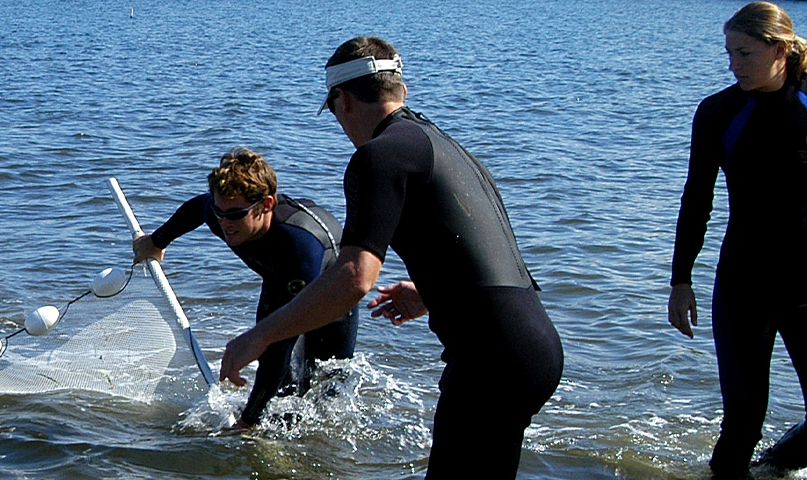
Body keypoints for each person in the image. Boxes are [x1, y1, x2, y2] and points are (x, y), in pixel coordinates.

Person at [217, 36, 563, 478]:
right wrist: (430, 292)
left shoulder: (378, 157)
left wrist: (258, 336)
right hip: (533, 342)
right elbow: (491, 253)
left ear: (342, 100)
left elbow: (354, 278)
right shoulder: (442, 144)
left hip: (490, 358)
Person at [668, 2, 807, 477]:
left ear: (779, 49)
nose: (732, 64)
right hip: (746, 282)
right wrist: (681, 280)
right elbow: (696, 200)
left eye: (743, 53)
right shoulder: (719, 112)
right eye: (729, 53)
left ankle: (771, 471)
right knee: (743, 422)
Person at [131, 147, 356, 430]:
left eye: (235, 215)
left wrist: (247, 422)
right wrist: (157, 241)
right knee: (283, 387)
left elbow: (278, 345)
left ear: (267, 205)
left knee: (327, 388)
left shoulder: (300, 249)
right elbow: (197, 209)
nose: (225, 224)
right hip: (278, 279)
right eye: (219, 212)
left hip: (330, 295)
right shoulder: (222, 212)